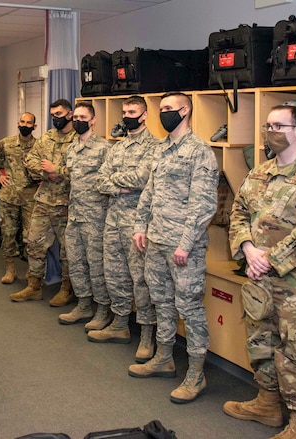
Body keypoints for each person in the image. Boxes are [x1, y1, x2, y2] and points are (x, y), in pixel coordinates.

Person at [224, 104, 296, 439]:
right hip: (259, 282)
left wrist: (267, 259)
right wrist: (247, 249)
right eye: (267, 125)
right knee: (261, 344)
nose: (269, 131)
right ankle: (268, 404)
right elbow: (237, 213)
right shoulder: (257, 174)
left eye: (277, 125)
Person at [128, 92, 218, 404]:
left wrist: (186, 243)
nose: (164, 113)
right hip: (156, 241)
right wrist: (141, 225)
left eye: (169, 109)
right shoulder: (162, 149)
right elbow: (149, 192)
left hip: (184, 248)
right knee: (161, 301)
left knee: (189, 308)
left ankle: (196, 374)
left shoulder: (199, 151)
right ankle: (165, 357)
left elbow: (204, 203)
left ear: (185, 110)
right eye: (161, 109)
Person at [91, 95, 159, 359]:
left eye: (133, 111)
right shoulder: (117, 147)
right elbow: (99, 180)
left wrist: (114, 183)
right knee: (114, 274)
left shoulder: (154, 146)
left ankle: (146, 336)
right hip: (113, 220)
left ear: (144, 115)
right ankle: (120, 324)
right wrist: (122, 186)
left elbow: (143, 178)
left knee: (141, 280)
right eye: (125, 111)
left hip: (137, 224)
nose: (128, 115)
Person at [10, 99, 76, 305]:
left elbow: (79, 170)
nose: (55, 118)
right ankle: (34, 286)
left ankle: (67, 289)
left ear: (70, 114)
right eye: (53, 114)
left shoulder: (78, 140)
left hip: (66, 203)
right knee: (34, 243)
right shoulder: (47, 137)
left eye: (59, 114)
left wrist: (57, 171)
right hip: (43, 200)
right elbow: (29, 160)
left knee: (67, 250)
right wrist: (48, 174)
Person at [55, 102, 111, 329]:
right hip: (75, 215)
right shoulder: (71, 148)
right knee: (75, 263)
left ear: (93, 120)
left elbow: (109, 183)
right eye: (75, 116)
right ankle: (84, 305)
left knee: (96, 266)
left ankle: (103, 311)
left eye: (82, 117)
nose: (77, 120)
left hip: (96, 217)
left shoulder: (104, 148)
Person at [0, 112, 38, 284]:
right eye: (22, 121)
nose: (25, 125)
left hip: (31, 197)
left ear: (34, 127)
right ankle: (10, 269)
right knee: (8, 233)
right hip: (9, 196)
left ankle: (32, 271)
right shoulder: (7, 143)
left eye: (29, 123)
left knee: (31, 236)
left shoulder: (39, 146)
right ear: (18, 123)